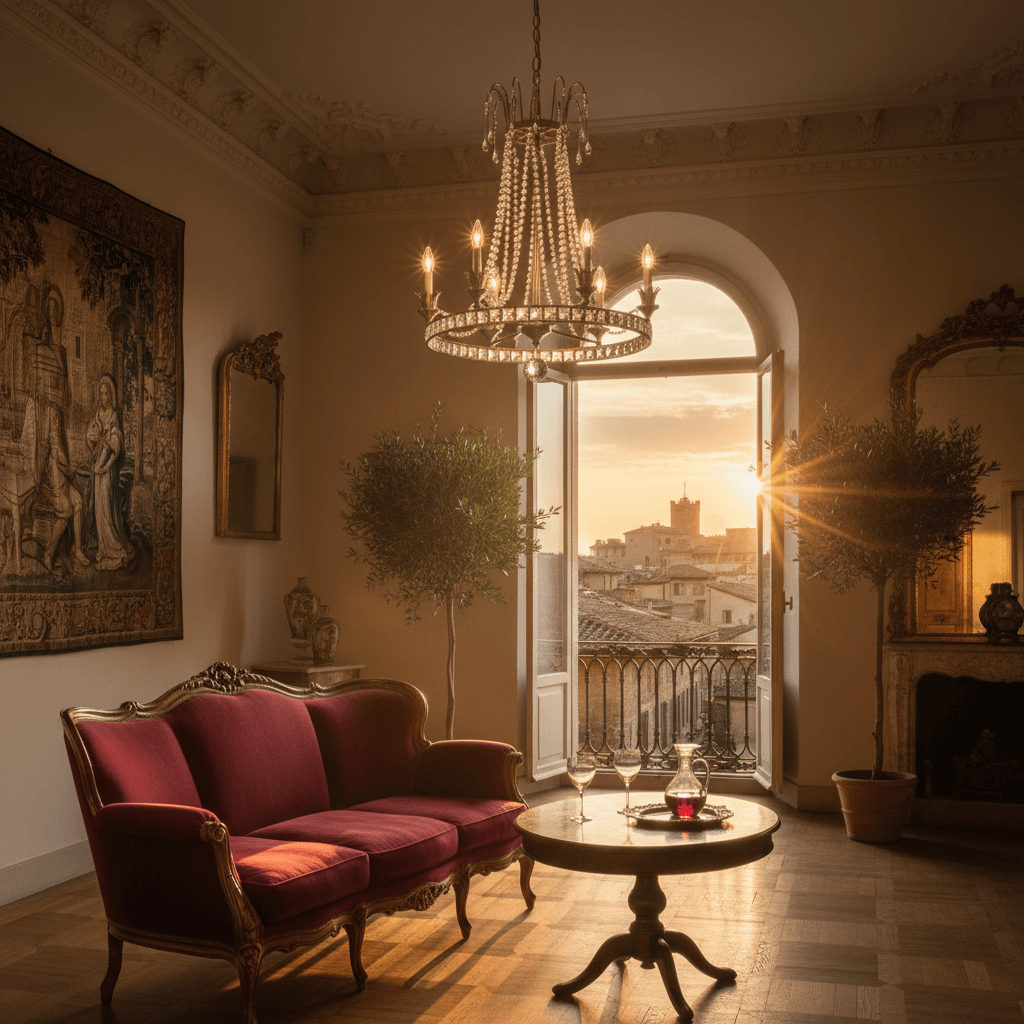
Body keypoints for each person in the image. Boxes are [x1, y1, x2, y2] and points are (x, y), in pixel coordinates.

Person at [86, 375, 133, 570]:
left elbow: (116, 448)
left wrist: (105, 467)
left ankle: (113, 548)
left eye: (106, 394)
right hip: (98, 468)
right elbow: (90, 437)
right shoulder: (98, 415)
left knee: (106, 507)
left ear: (111, 396)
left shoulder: (114, 416)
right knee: (98, 508)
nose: (103, 397)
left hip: (107, 471)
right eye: (101, 394)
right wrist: (94, 441)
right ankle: (104, 549)